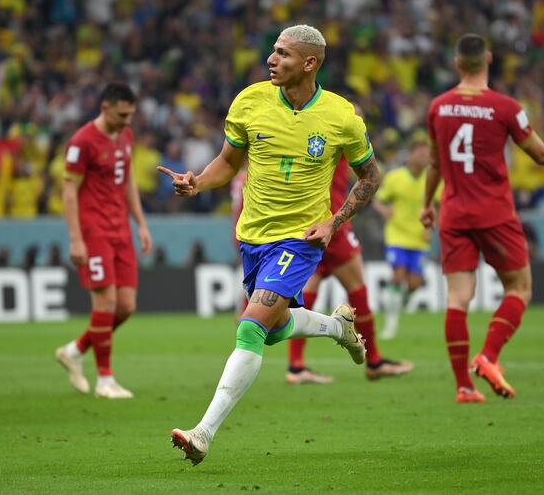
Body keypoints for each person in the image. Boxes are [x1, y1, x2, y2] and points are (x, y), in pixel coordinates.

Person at [158, 24, 381, 464]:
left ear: (310, 63)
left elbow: (370, 176)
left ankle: (203, 432)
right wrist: (197, 182)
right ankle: (338, 328)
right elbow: (227, 161)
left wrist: (334, 223)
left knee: (251, 326)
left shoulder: (341, 117)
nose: (271, 60)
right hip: (253, 236)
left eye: (282, 54)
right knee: (276, 328)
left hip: (299, 240)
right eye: (273, 52)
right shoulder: (249, 101)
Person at [421, 34, 544, 404]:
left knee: (458, 300)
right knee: (520, 289)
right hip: (494, 212)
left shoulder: (438, 107)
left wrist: (426, 203)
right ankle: (489, 356)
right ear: (488, 59)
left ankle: (464, 386)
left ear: (458, 64)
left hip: (454, 212)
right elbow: (541, 155)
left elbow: (434, 163)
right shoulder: (506, 107)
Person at [54, 83, 152, 400]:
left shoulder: (125, 136)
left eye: (131, 115)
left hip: (120, 229)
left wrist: (140, 223)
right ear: (105, 106)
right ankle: (105, 380)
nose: (127, 121)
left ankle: (75, 349)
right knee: (105, 303)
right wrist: (76, 239)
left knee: (125, 307)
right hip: (93, 230)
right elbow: (69, 191)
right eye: (122, 115)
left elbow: (129, 182)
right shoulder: (82, 142)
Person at [289, 151, 414, 384]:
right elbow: (367, 173)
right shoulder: (340, 124)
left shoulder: (306, 126)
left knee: (308, 289)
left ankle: (296, 365)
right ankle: (374, 361)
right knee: (358, 289)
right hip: (332, 221)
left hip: (306, 221)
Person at [373, 139, 438, 340]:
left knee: (414, 284)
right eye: (421, 152)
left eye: (428, 153)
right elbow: (377, 199)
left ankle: (395, 302)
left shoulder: (433, 177)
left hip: (419, 238)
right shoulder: (395, 177)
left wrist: (432, 228)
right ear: (411, 155)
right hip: (397, 236)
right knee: (399, 275)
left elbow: (439, 204)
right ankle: (391, 323)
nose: (425, 157)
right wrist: (385, 211)